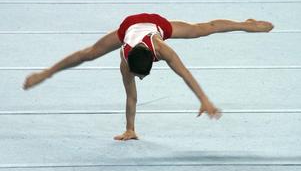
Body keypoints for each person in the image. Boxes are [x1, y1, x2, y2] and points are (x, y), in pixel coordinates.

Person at [23, 13, 273, 140]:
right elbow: (131, 96)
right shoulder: (124, 57)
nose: (138, 79)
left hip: (155, 24)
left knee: (202, 30)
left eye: (141, 76)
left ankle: (246, 24)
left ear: (154, 60)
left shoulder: (163, 49)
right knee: (88, 54)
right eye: (136, 75)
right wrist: (130, 129)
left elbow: (185, 74)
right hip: (128, 27)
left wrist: (204, 99)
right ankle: (47, 73)